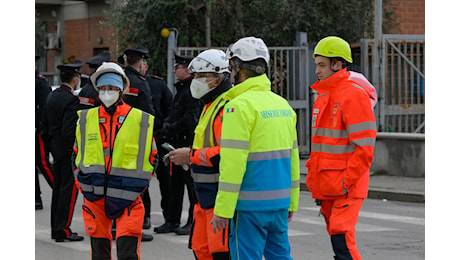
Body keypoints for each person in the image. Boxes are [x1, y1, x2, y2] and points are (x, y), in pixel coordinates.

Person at [211, 36, 300, 260]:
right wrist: (292, 202)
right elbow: (293, 160)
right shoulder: (283, 106)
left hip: (249, 206)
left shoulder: (237, 107)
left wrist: (222, 210)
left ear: (237, 67)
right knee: (280, 256)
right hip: (279, 203)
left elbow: (232, 164)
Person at [75, 62, 158, 259]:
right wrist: (81, 182)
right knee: (99, 254)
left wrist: (142, 183)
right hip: (95, 197)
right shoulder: (86, 118)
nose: (107, 92)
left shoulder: (141, 119)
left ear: (122, 90)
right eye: (103, 88)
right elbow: (76, 153)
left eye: (111, 88)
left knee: (128, 254)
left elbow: (151, 156)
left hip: (128, 196)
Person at [305, 36, 377, 260]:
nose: (317, 70)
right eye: (316, 65)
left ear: (338, 64)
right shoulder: (323, 96)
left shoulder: (353, 94)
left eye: (322, 65)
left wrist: (346, 182)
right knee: (339, 241)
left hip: (345, 185)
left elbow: (365, 148)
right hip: (330, 185)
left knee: (342, 239)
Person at [169, 49, 232, 259]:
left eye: (198, 76)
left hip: (218, 198)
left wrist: (191, 156)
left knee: (219, 253)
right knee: (201, 250)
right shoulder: (209, 105)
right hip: (204, 196)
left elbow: (226, 154)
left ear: (216, 78)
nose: (194, 81)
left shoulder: (225, 108)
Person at [153, 53, 200, 236]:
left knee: (191, 186)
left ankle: (192, 221)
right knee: (175, 185)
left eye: (177, 67)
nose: (174, 71)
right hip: (175, 145)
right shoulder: (181, 90)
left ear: (187, 69)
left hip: (187, 145)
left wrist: (170, 128)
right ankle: (172, 220)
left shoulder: (192, 91)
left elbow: (190, 119)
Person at [41, 60, 84, 242]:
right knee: (68, 192)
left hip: (55, 151)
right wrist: (71, 151)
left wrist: (53, 147)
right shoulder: (71, 99)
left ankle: (56, 229)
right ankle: (63, 229)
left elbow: (44, 127)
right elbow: (68, 132)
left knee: (58, 191)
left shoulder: (52, 96)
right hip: (67, 153)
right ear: (75, 79)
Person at [122, 46, 155, 241]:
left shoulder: (120, 80)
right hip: (136, 142)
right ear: (141, 63)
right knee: (136, 186)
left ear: (126, 62)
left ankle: (118, 225)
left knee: (118, 184)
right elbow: (148, 115)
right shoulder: (140, 83)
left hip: (116, 140)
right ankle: (134, 228)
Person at [142, 59, 173, 230]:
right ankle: (144, 215)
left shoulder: (158, 85)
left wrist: (164, 131)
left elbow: (170, 110)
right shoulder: (131, 84)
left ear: (146, 66)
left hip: (159, 139)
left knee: (165, 180)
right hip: (140, 141)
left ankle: (169, 215)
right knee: (141, 179)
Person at [35, 55, 54, 210]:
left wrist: (41, 127)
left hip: (37, 129)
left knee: (42, 162)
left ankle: (59, 188)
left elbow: (45, 108)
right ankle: (35, 197)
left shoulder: (40, 83)